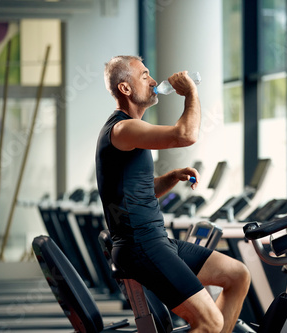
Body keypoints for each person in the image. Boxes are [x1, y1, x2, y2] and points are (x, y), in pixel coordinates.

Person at [96, 55, 251, 333]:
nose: (154, 81)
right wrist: (191, 91)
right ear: (126, 89)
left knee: (237, 275)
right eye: (144, 76)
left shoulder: (128, 130)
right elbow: (186, 135)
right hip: (142, 246)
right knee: (209, 321)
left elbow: (136, 194)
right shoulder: (124, 128)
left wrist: (170, 178)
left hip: (155, 241)